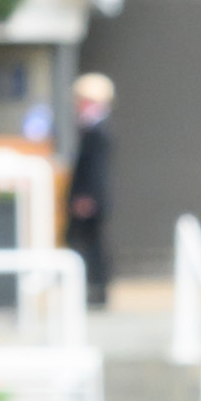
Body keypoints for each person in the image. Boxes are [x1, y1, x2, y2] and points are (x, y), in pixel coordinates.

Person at [64, 72, 115, 304]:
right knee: (86, 243)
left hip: (90, 199)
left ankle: (97, 288)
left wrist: (86, 196)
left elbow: (95, 168)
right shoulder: (92, 128)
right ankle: (93, 287)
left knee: (91, 245)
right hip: (90, 197)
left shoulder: (97, 131)